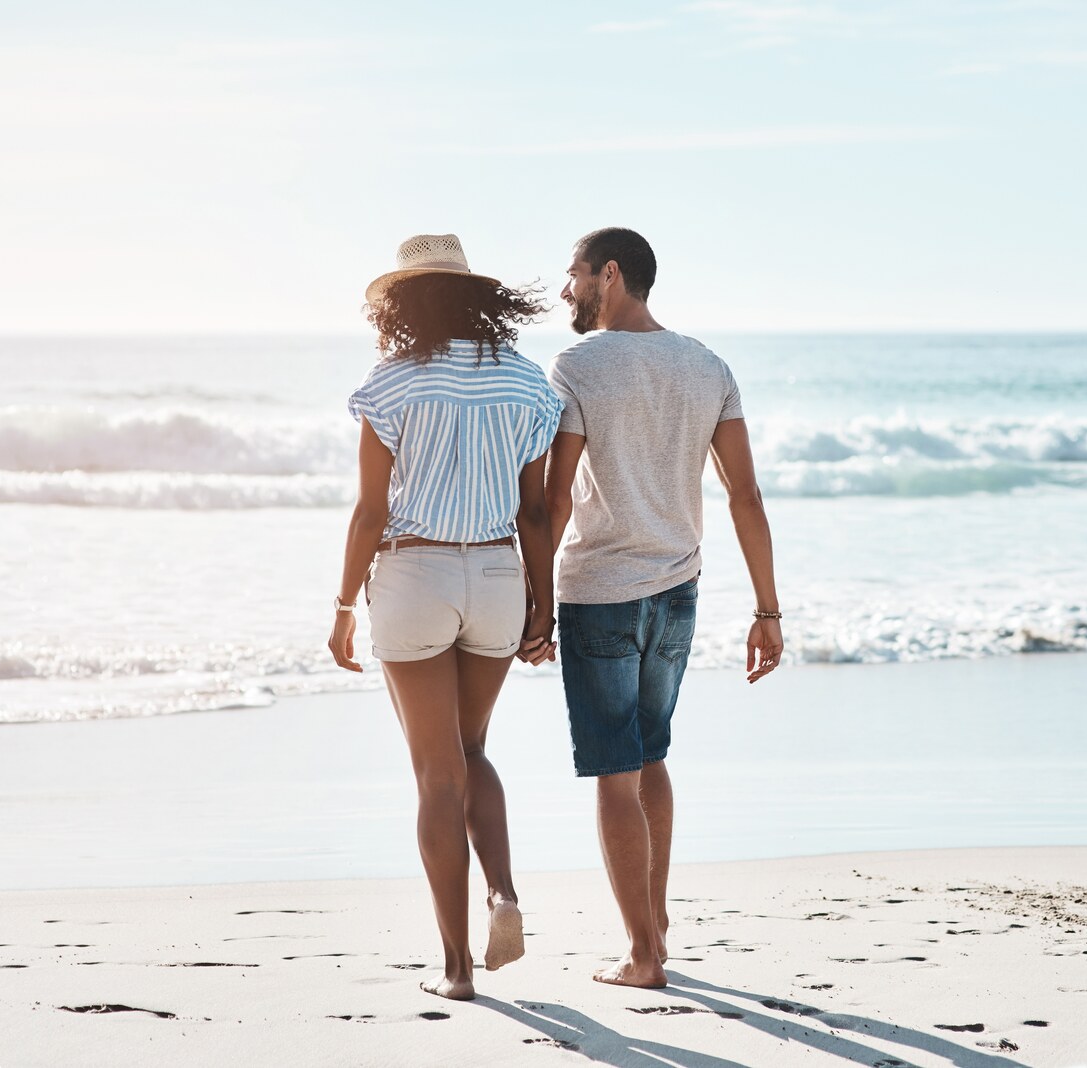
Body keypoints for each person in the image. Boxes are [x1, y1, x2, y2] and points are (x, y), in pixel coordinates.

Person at [544, 227, 785, 989]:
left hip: (600, 593)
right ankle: (656, 926)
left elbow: (554, 499)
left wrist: (532, 601)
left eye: (575, 274)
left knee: (616, 773)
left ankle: (643, 955)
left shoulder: (579, 364)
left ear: (610, 274)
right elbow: (746, 495)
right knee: (651, 757)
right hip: (678, 590)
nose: (566, 290)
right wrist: (768, 611)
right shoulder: (707, 365)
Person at [326, 234, 562, 1001]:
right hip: (497, 575)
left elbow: (370, 512)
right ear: (476, 298)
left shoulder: (391, 382)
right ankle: (503, 892)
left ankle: (458, 969)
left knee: (435, 773)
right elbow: (534, 511)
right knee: (472, 749)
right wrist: (543, 604)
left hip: (414, 574)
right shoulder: (527, 383)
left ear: (402, 305)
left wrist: (342, 605)